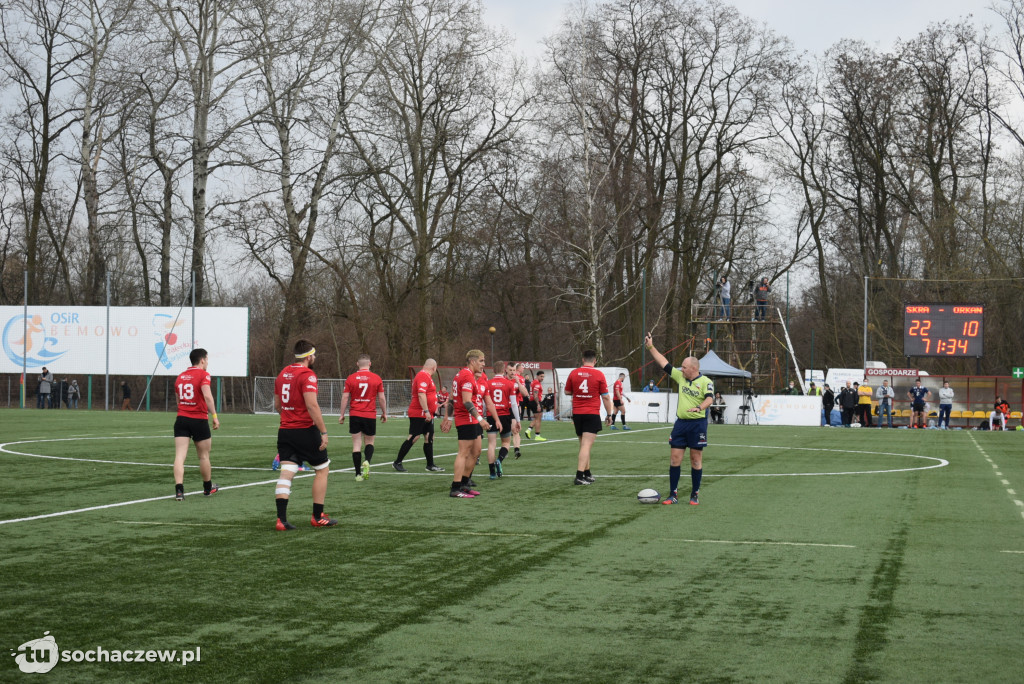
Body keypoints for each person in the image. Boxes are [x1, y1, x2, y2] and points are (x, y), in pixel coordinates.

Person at [273, 339, 336, 530]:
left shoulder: (283, 373)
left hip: (285, 431)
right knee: (322, 469)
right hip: (305, 431)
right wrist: (323, 431)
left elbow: (277, 405)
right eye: (314, 355)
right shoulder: (308, 375)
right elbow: (312, 405)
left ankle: (281, 520)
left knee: (287, 473)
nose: (315, 358)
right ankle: (318, 516)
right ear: (309, 356)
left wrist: (288, 418)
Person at [645, 334, 714, 506]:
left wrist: (699, 408)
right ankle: (673, 495)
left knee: (695, 460)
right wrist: (650, 347)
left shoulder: (706, 381)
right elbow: (663, 362)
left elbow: (710, 399)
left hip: (697, 425)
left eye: (684, 367)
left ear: (693, 368)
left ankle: (694, 494)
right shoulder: (680, 377)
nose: (681, 369)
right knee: (675, 459)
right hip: (681, 424)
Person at [440, 349, 500, 498]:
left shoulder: (465, 375)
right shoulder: (466, 375)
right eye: (481, 361)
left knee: (476, 452)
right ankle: (455, 488)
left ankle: (464, 484)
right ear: (472, 361)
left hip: (471, 418)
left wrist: (448, 417)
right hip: (466, 418)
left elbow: (454, 399)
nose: (483, 364)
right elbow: (466, 401)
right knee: (464, 453)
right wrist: (480, 419)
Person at [172, 348, 220, 501]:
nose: (207, 362)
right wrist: (214, 415)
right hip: (198, 419)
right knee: (203, 456)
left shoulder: (180, 377)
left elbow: (178, 400)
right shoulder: (204, 375)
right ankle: (207, 488)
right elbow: (207, 396)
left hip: (181, 419)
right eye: (207, 359)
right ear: (202, 360)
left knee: (180, 456)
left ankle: (179, 491)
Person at [563, 350, 613, 486]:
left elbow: (567, 391)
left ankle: (587, 473)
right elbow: (606, 397)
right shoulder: (598, 374)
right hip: (591, 413)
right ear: (595, 360)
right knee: (586, 445)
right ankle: (579, 476)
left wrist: (578, 392)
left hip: (577, 413)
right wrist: (609, 414)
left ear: (583, 359)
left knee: (584, 444)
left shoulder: (574, 373)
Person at [338, 354, 387, 482]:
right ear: (370, 364)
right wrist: (384, 412)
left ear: (357, 364)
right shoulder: (376, 378)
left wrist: (342, 414)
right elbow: (381, 398)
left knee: (356, 445)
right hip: (369, 414)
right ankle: (367, 461)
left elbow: (345, 397)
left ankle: (357, 474)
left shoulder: (351, 378)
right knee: (369, 442)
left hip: (355, 414)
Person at [392, 358, 445, 473]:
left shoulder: (427, 377)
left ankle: (430, 465)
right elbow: (421, 395)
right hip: (419, 413)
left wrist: (432, 409)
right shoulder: (422, 376)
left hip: (427, 413)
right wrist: (426, 411)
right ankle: (397, 462)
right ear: (434, 368)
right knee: (414, 436)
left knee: (429, 436)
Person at [485, 361, 521, 479]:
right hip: (504, 416)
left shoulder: (488, 383)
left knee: (491, 444)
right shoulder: (509, 384)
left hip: (491, 416)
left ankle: (491, 473)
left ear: (493, 370)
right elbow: (514, 404)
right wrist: (518, 419)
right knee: (506, 442)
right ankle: (499, 460)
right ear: (504, 369)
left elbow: (484, 403)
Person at [524, 370, 547, 441]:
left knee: (537, 418)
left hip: (532, 401)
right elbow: (535, 394)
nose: (542, 378)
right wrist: (538, 404)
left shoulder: (533, 382)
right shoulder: (537, 383)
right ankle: (537, 435)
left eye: (543, 376)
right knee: (538, 419)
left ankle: (529, 430)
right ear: (537, 376)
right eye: (541, 376)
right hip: (535, 401)